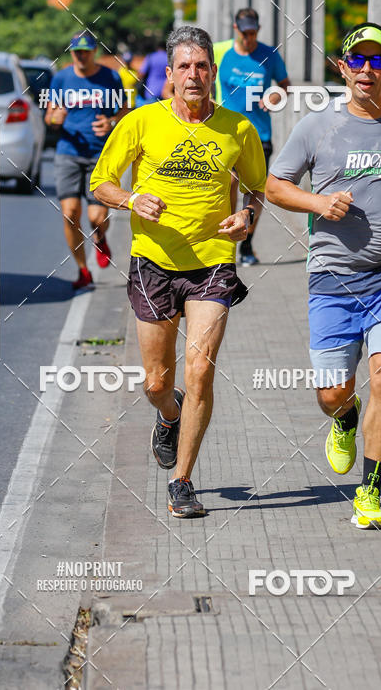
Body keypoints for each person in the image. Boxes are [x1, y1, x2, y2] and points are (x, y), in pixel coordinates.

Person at [266, 22, 381, 529]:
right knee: (331, 392)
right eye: (357, 60)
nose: (367, 70)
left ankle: (369, 493)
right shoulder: (315, 127)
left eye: (377, 61)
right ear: (342, 68)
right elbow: (275, 187)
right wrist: (318, 202)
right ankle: (344, 418)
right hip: (333, 277)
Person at [90, 26, 267, 517]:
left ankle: (182, 480)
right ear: (168, 76)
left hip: (212, 264)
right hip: (153, 263)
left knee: (201, 369)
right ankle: (170, 414)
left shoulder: (239, 130)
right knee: (156, 382)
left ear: (214, 73)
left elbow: (258, 188)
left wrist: (247, 217)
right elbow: (100, 182)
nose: (194, 74)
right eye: (184, 67)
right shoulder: (142, 123)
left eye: (202, 66)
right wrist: (130, 198)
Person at [45, 31, 128, 290]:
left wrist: (111, 122)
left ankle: (100, 239)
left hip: (99, 154)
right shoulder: (61, 79)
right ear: (71, 53)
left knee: (96, 217)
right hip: (68, 152)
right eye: (77, 51)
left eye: (86, 51)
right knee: (70, 213)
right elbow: (50, 116)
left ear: (94, 52)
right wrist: (54, 120)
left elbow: (125, 111)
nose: (81, 56)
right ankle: (83, 271)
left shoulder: (110, 77)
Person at [215, 7, 289, 265]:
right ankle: (227, 237)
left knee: (255, 190)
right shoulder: (224, 55)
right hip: (227, 133)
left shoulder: (269, 55)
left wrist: (275, 96)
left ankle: (246, 243)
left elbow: (285, 86)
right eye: (244, 32)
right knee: (230, 184)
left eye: (253, 32)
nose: (249, 37)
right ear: (235, 29)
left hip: (260, 134)